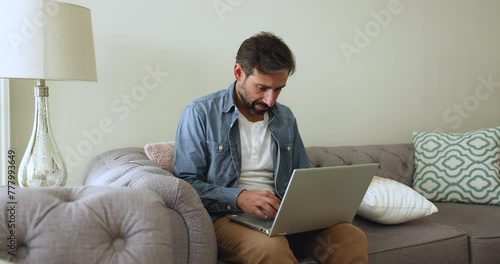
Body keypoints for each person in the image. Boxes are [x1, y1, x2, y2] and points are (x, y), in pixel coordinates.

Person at [173, 31, 368, 264]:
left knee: (350, 237)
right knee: (271, 248)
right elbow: (186, 183)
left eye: (278, 89)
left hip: (284, 219)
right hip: (228, 218)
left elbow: (302, 175)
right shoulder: (201, 113)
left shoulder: (285, 117)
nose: (270, 100)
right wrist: (238, 197)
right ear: (238, 73)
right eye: (262, 88)